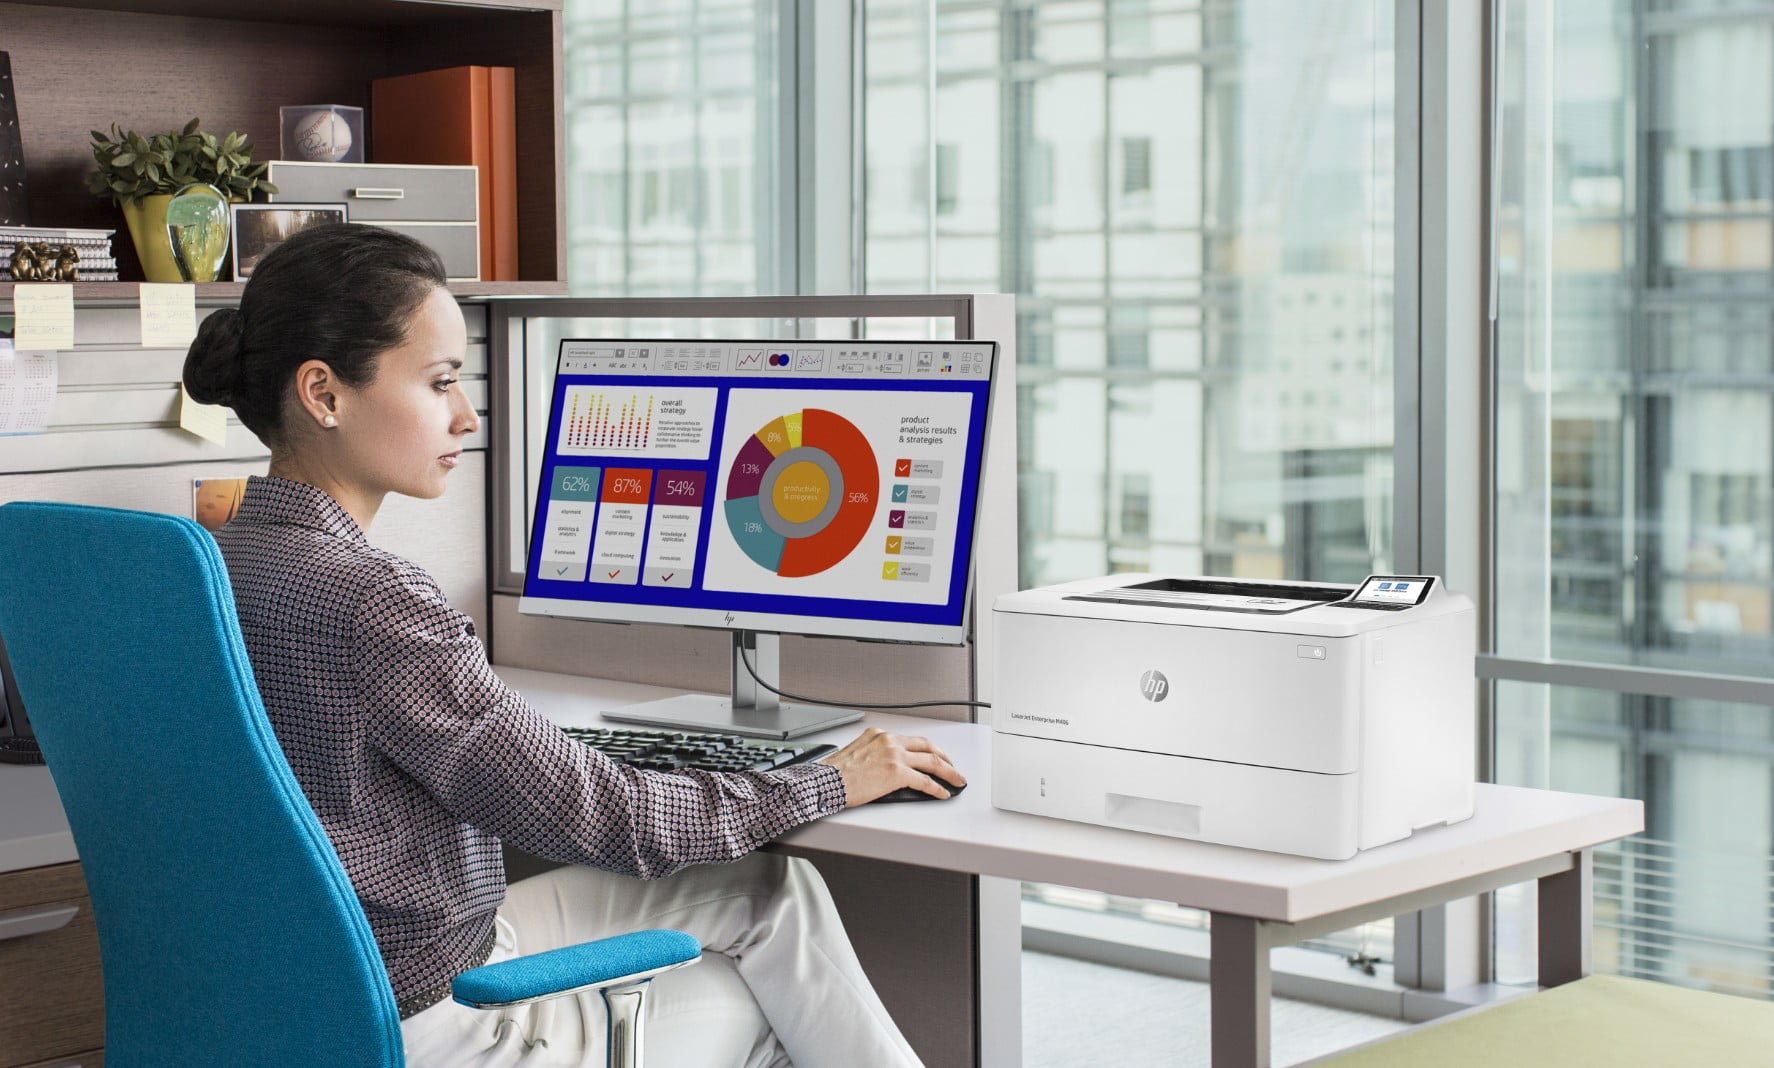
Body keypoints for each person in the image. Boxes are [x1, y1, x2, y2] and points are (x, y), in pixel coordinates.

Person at [181, 224, 964, 1067]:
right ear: (324, 394)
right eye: (441, 381)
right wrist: (830, 779)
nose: (468, 414)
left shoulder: (208, 567)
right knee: (765, 1001)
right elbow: (613, 821)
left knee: (773, 890)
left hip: (298, 993)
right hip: (421, 1017)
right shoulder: (376, 600)